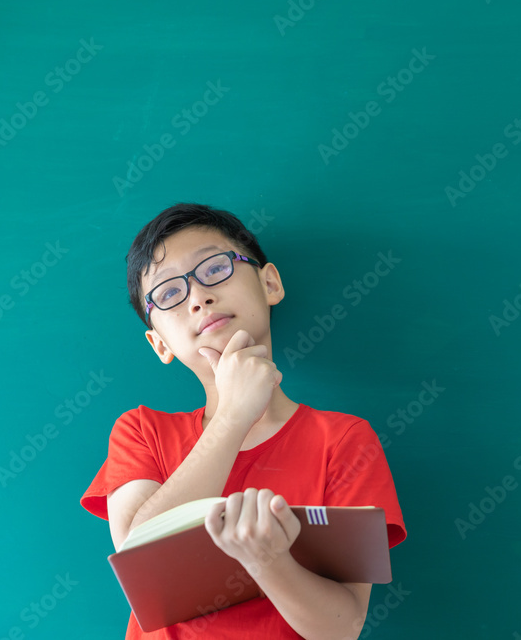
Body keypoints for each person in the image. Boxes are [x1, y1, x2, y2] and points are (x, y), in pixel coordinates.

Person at [80, 203, 406, 639]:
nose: (198, 297)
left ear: (269, 283)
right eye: (169, 294)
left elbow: (341, 629)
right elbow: (141, 558)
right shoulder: (142, 431)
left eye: (214, 268)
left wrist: (267, 559)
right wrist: (234, 414)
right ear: (160, 344)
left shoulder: (344, 440)